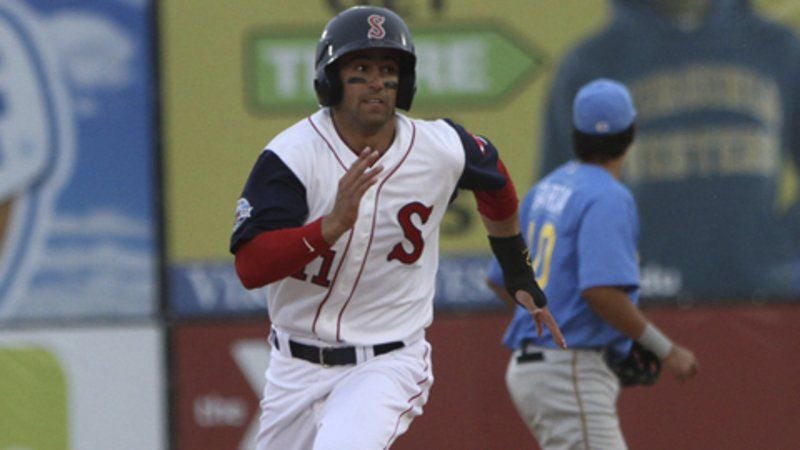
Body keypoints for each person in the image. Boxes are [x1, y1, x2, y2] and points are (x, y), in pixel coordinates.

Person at [229, 6, 565, 449]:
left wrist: (516, 269)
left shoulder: (439, 148)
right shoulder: (292, 157)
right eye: (360, 68)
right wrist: (328, 228)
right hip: (294, 366)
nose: (376, 81)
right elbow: (251, 266)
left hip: (386, 361)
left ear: (404, 82)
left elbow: (496, 181)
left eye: (389, 69)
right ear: (330, 80)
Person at [538, 0, 800, 299]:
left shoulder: (778, 49)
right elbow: (560, 200)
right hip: (641, 307)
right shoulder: (592, 64)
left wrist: (779, 251)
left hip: (764, 303)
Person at [488, 79, 699, 449]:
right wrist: (665, 349)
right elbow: (600, 292)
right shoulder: (608, 196)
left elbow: (500, 278)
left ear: (576, 135)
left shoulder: (545, 189)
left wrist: (547, 322)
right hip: (567, 369)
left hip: (534, 368)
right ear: (630, 134)